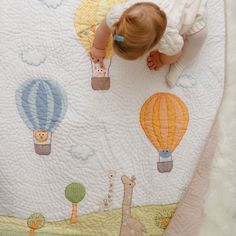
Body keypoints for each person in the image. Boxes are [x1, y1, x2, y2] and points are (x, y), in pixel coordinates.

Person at [90, 0, 208, 87]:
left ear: (153, 45)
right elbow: (104, 29)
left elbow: (175, 54)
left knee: (198, 36)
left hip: (191, 5)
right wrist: (98, 47)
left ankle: (181, 66)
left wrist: (161, 59)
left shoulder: (168, 39)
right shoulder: (118, 16)